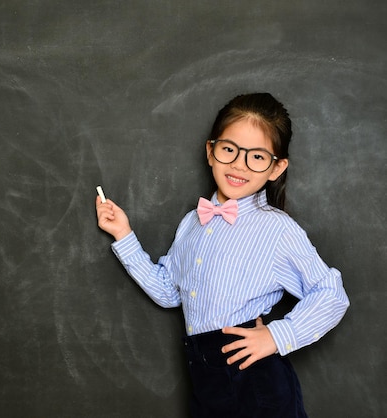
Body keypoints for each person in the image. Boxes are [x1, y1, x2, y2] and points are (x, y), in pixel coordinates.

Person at [95, 93, 349, 417]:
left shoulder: (277, 230)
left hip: (254, 381)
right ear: (210, 151)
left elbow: (331, 293)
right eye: (229, 149)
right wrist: (123, 234)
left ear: (276, 167)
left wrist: (276, 335)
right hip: (204, 379)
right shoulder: (192, 223)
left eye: (257, 156)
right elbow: (169, 292)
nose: (239, 164)